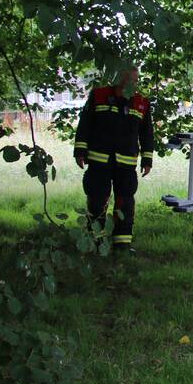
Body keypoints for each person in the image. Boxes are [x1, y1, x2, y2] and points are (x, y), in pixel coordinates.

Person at [74, 68, 154, 251]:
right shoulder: (99, 95)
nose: (134, 85)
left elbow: (147, 133)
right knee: (96, 200)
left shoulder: (142, 102)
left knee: (125, 202)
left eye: (136, 81)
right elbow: (85, 124)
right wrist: (80, 151)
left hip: (126, 163)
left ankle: (122, 244)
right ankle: (94, 241)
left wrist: (147, 160)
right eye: (130, 80)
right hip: (98, 161)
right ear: (119, 79)